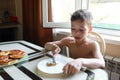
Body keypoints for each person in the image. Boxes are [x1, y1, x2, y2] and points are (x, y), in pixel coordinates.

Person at [44, 9, 105, 75]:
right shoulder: (68, 41)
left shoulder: (93, 45)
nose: (76, 33)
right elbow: (46, 45)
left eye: (81, 30)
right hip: (73, 73)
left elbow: (102, 63)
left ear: (89, 29)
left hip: (86, 74)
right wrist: (51, 46)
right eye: (73, 29)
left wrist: (81, 61)